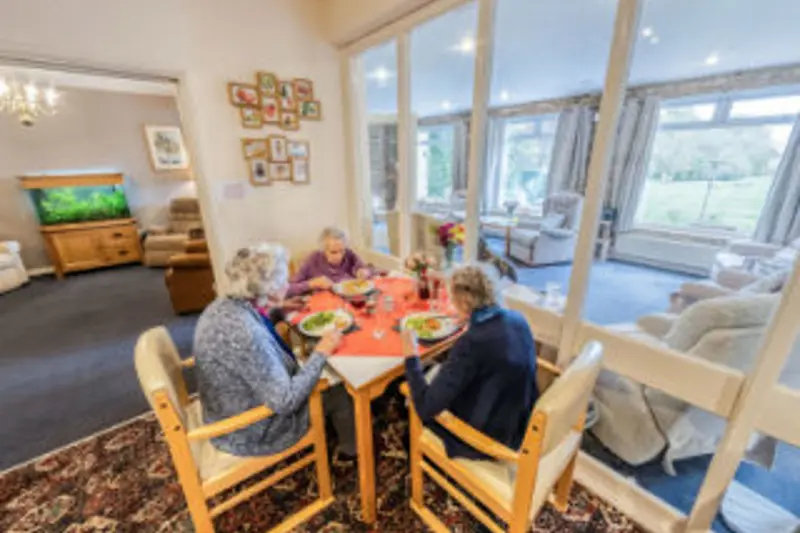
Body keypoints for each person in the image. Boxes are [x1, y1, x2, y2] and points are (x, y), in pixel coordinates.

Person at [194, 243, 356, 457]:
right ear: (268, 291)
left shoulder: (224, 305)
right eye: (283, 282)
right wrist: (321, 351)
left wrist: (279, 307)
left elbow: (252, 339)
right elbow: (286, 401)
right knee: (338, 388)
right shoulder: (246, 334)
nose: (287, 285)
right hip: (251, 431)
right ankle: (351, 450)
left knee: (312, 364)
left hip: (227, 406)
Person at [402, 264, 539, 460]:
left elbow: (425, 407)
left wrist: (411, 356)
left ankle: (422, 459)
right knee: (439, 370)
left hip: (485, 440)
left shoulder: (471, 343)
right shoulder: (517, 319)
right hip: (518, 423)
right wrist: (470, 321)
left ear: (463, 303)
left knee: (415, 390)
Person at [289, 227, 371, 295]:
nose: (339, 256)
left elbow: (369, 270)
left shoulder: (349, 254)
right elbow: (288, 289)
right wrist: (312, 283)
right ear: (323, 250)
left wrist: (365, 272)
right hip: (324, 304)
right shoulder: (313, 259)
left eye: (342, 250)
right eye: (333, 252)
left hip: (349, 300)